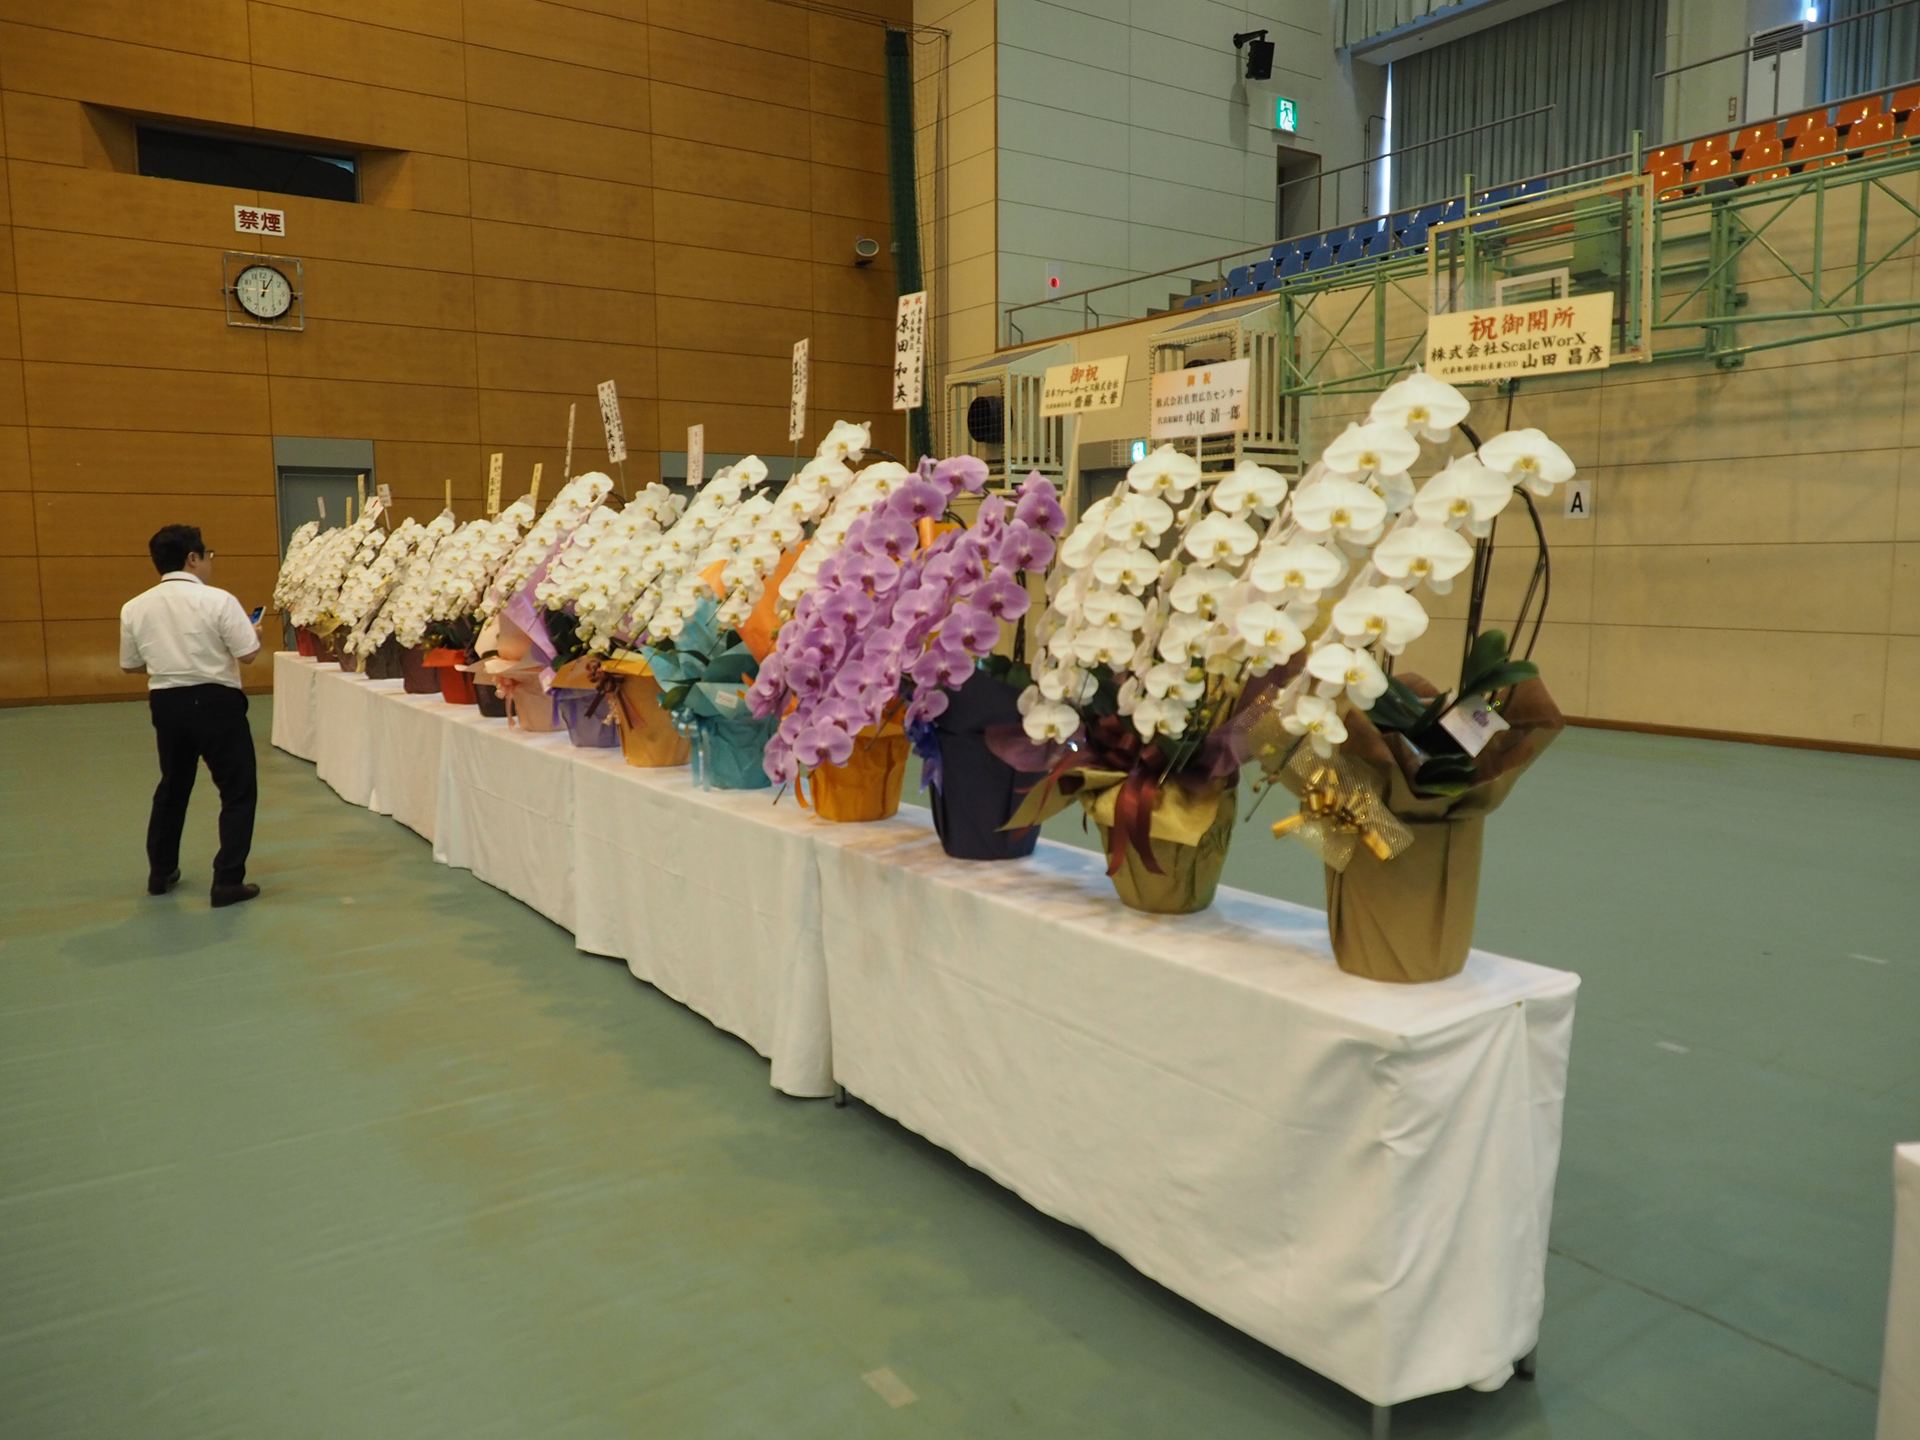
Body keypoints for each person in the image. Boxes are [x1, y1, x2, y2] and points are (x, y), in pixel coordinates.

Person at [119, 524, 265, 907]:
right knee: (237, 790)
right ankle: (227, 881)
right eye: (207, 555)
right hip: (217, 701)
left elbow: (131, 664)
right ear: (193, 558)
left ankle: (160, 871)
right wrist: (255, 632)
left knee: (173, 787)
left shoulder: (134, 607)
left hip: (167, 703)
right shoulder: (218, 601)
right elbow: (248, 653)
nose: (209, 563)